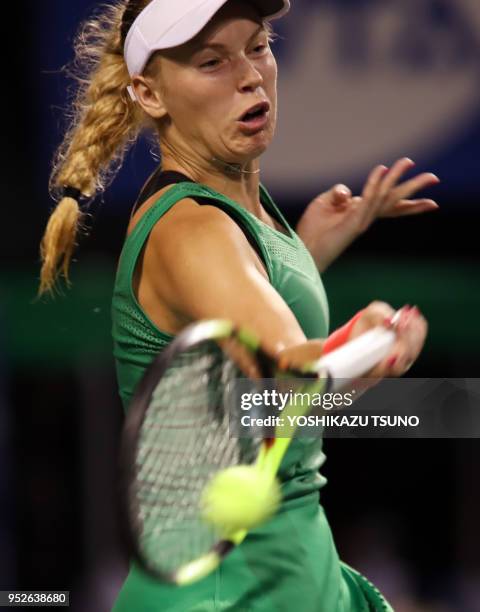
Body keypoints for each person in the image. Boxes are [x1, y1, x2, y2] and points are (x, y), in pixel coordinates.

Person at [38, 1, 436, 610]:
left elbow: (238, 327)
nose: (250, 75)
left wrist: (303, 249)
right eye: (210, 61)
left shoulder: (235, 213)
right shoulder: (192, 230)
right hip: (233, 590)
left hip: (290, 569)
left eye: (258, 45)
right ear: (149, 93)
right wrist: (373, 337)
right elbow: (292, 371)